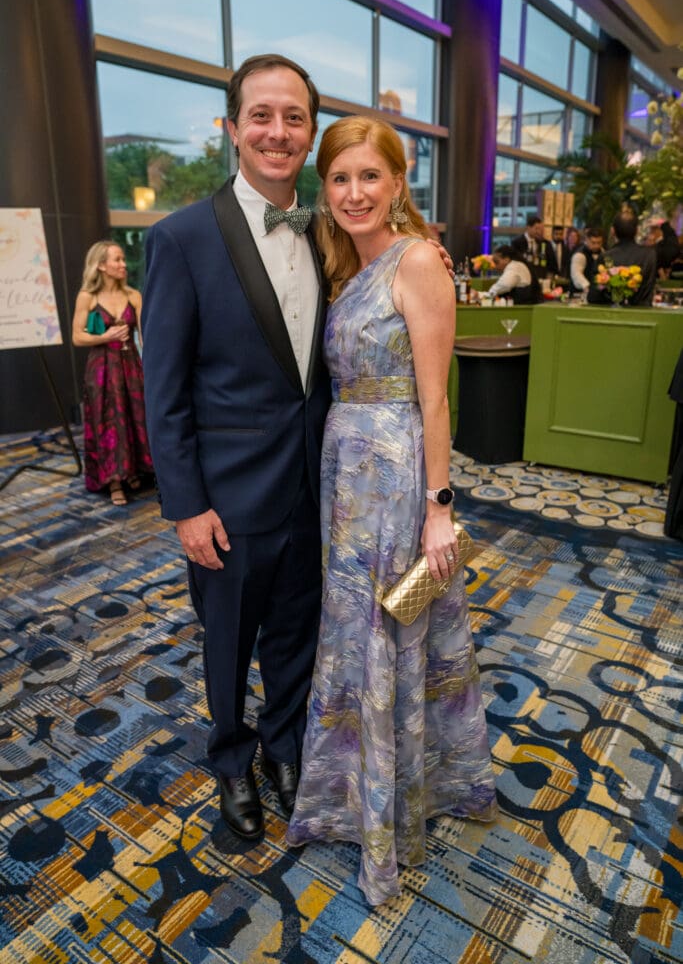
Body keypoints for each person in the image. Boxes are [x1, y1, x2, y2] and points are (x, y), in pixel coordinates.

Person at [285, 116, 497, 906]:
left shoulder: (416, 262)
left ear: (398, 182)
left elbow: (438, 398)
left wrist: (440, 508)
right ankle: (351, 792)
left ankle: (399, 808)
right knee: (353, 631)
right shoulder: (345, 257)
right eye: (338, 178)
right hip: (344, 467)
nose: (352, 192)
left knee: (396, 627)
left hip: (400, 469)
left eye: (369, 176)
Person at [141, 54, 330, 842]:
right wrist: (186, 506)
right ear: (231, 128)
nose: (276, 131)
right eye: (261, 115)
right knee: (228, 641)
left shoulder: (330, 232)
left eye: (293, 117)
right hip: (226, 497)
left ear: (310, 133)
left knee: (298, 633)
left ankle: (284, 747)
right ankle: (230, 757)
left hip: (314, 485)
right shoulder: (180, 238)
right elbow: (165, 389)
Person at [71, 241, 153, 505]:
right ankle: (114, 480)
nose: (123, 265)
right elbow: (77, 337)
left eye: (123, 260)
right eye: (117, 260)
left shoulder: (133, 296)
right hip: (102, 369)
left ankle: (133, 471)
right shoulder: (88, 297)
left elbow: (146, 335)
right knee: (108, 423)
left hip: (131, 365)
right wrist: (105, 336)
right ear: (101, 265)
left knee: (135, 417)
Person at [605, 210, 656, 306]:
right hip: (644, 315)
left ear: (612, 231)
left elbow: (594, 296)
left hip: (611, 315)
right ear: (637, 230)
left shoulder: (605, 257)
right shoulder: (649, 255)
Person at [511, 214, 558, 281]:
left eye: (541, 229)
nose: (538, 232)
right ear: (528, 227)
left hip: (541, 279)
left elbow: (552, 264)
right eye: (536, 229)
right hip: (523, 279)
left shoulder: (545, 243)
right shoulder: (517, 243)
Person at [569, 227, 605, 301]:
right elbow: (576, 275)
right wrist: (587, 287)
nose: (596, 246)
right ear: (586, 240)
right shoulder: (579, 255)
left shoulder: (603, 252)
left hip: (597, 295)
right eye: (593, 243)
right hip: (578, 296)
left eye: (599, 243)